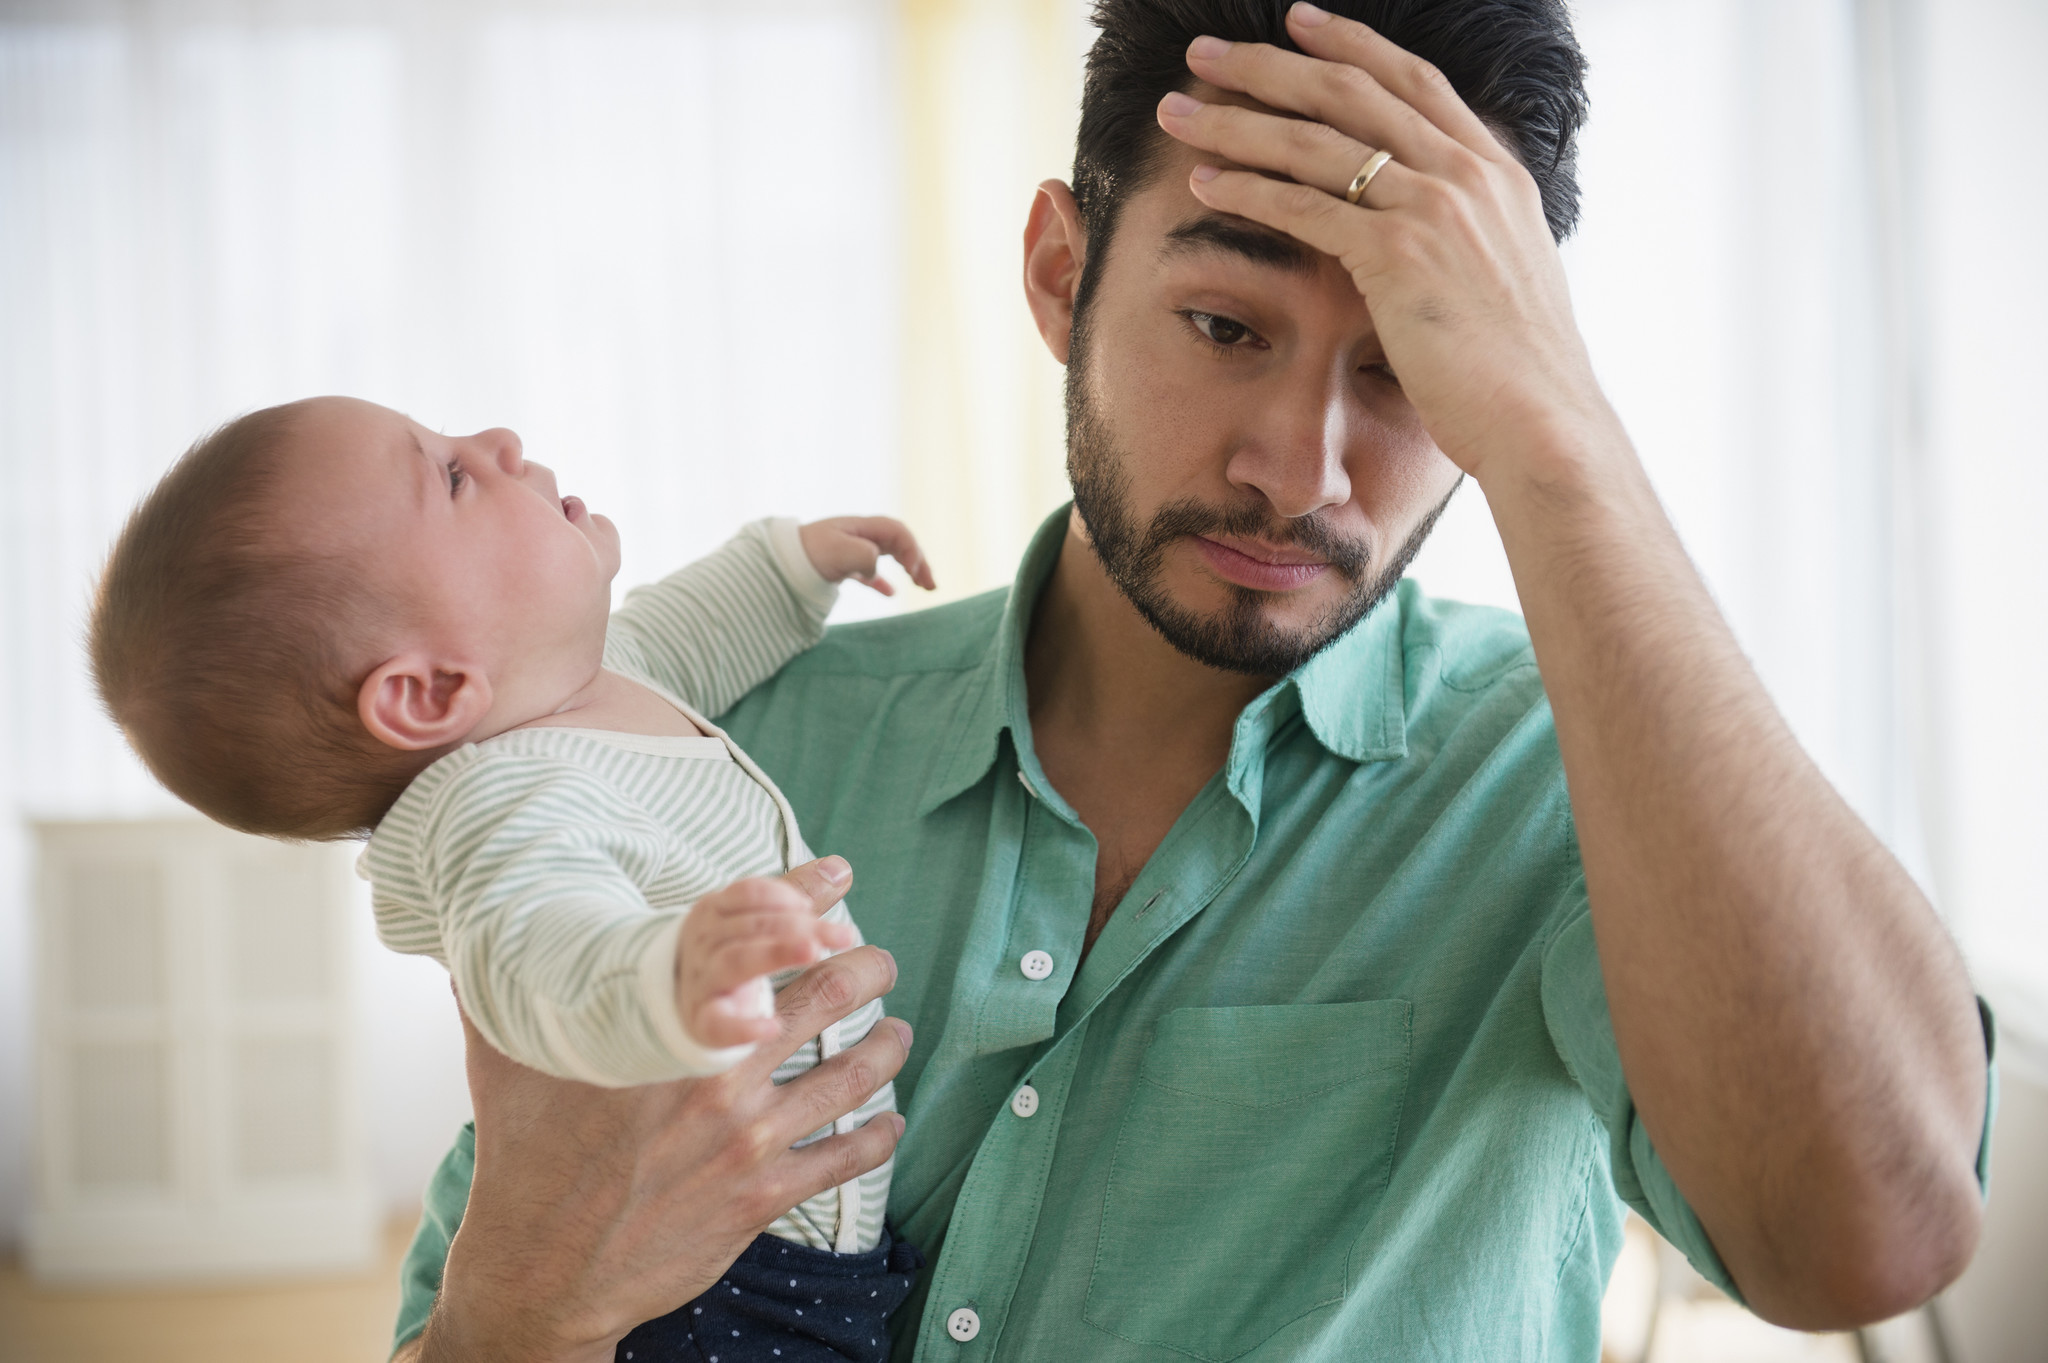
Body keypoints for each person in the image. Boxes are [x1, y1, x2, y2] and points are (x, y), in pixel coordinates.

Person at [395, 0, 1997, 1359]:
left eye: (1410, 365)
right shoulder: (713, 753)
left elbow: (1877, 1234)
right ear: (1056, 274)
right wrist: (524, 1297)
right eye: (1227, 324)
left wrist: (1562, 445)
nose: (1296, 470)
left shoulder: (1577, 789)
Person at [87, 396, 938, 1361]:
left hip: (776, 1241)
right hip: (706, 1286)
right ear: (430, 691)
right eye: (451, 475)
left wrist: (786, 567)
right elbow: (542, 957)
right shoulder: (500, 808)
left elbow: (680, 634)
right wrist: (668, 978)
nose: (498, 442)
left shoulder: (582, 691)